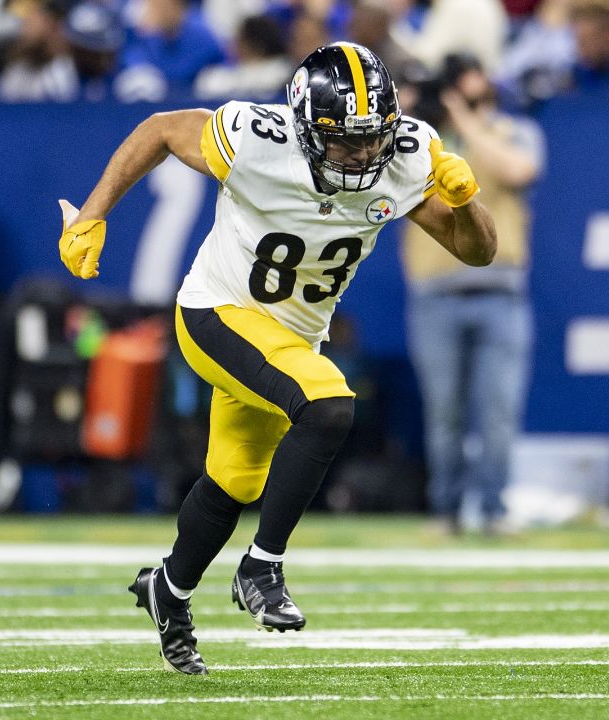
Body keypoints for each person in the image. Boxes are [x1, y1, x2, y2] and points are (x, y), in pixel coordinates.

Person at [57, 42, 495, 674]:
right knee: (329, 403)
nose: (364, 155)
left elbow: (477, 251)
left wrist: (463, 199)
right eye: (345, 143)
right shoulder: (257, 139)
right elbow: (158, 130)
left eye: (373, 139)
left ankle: (169, 591)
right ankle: (262, 567)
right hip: (217, 315)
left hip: (289, 342)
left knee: (233, 481)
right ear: (304, 129)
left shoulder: (405, 157)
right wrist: (93, 215)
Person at [401, 54, 542, 536]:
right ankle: (447, 511)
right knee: (444, 414)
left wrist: (466, 119)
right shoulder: (421, 142)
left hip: (500, 293)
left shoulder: (514, 131)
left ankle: (495, 509)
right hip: (435, 295)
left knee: (498, 411)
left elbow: (518, 171)